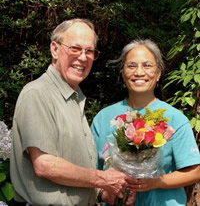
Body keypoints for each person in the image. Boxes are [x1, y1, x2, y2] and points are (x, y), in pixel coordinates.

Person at [10, 19, 137, 206]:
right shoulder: (37, 93)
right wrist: (103, 179)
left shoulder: (74, 98)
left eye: (90, 51)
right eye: (75, 48)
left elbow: (74, 172)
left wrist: (102, 193)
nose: (83, 57)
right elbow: (45, 164)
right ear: (54, 49)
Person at [91, 39, 200, 206]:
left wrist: (154, 182)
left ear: (158, 74)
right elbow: (89, 171)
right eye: (132, 66)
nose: (139, 72)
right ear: (123, 74)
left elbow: (194, 172)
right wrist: (104, 192)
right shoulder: (104, 118)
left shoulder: (175, 119)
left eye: (147, 66)